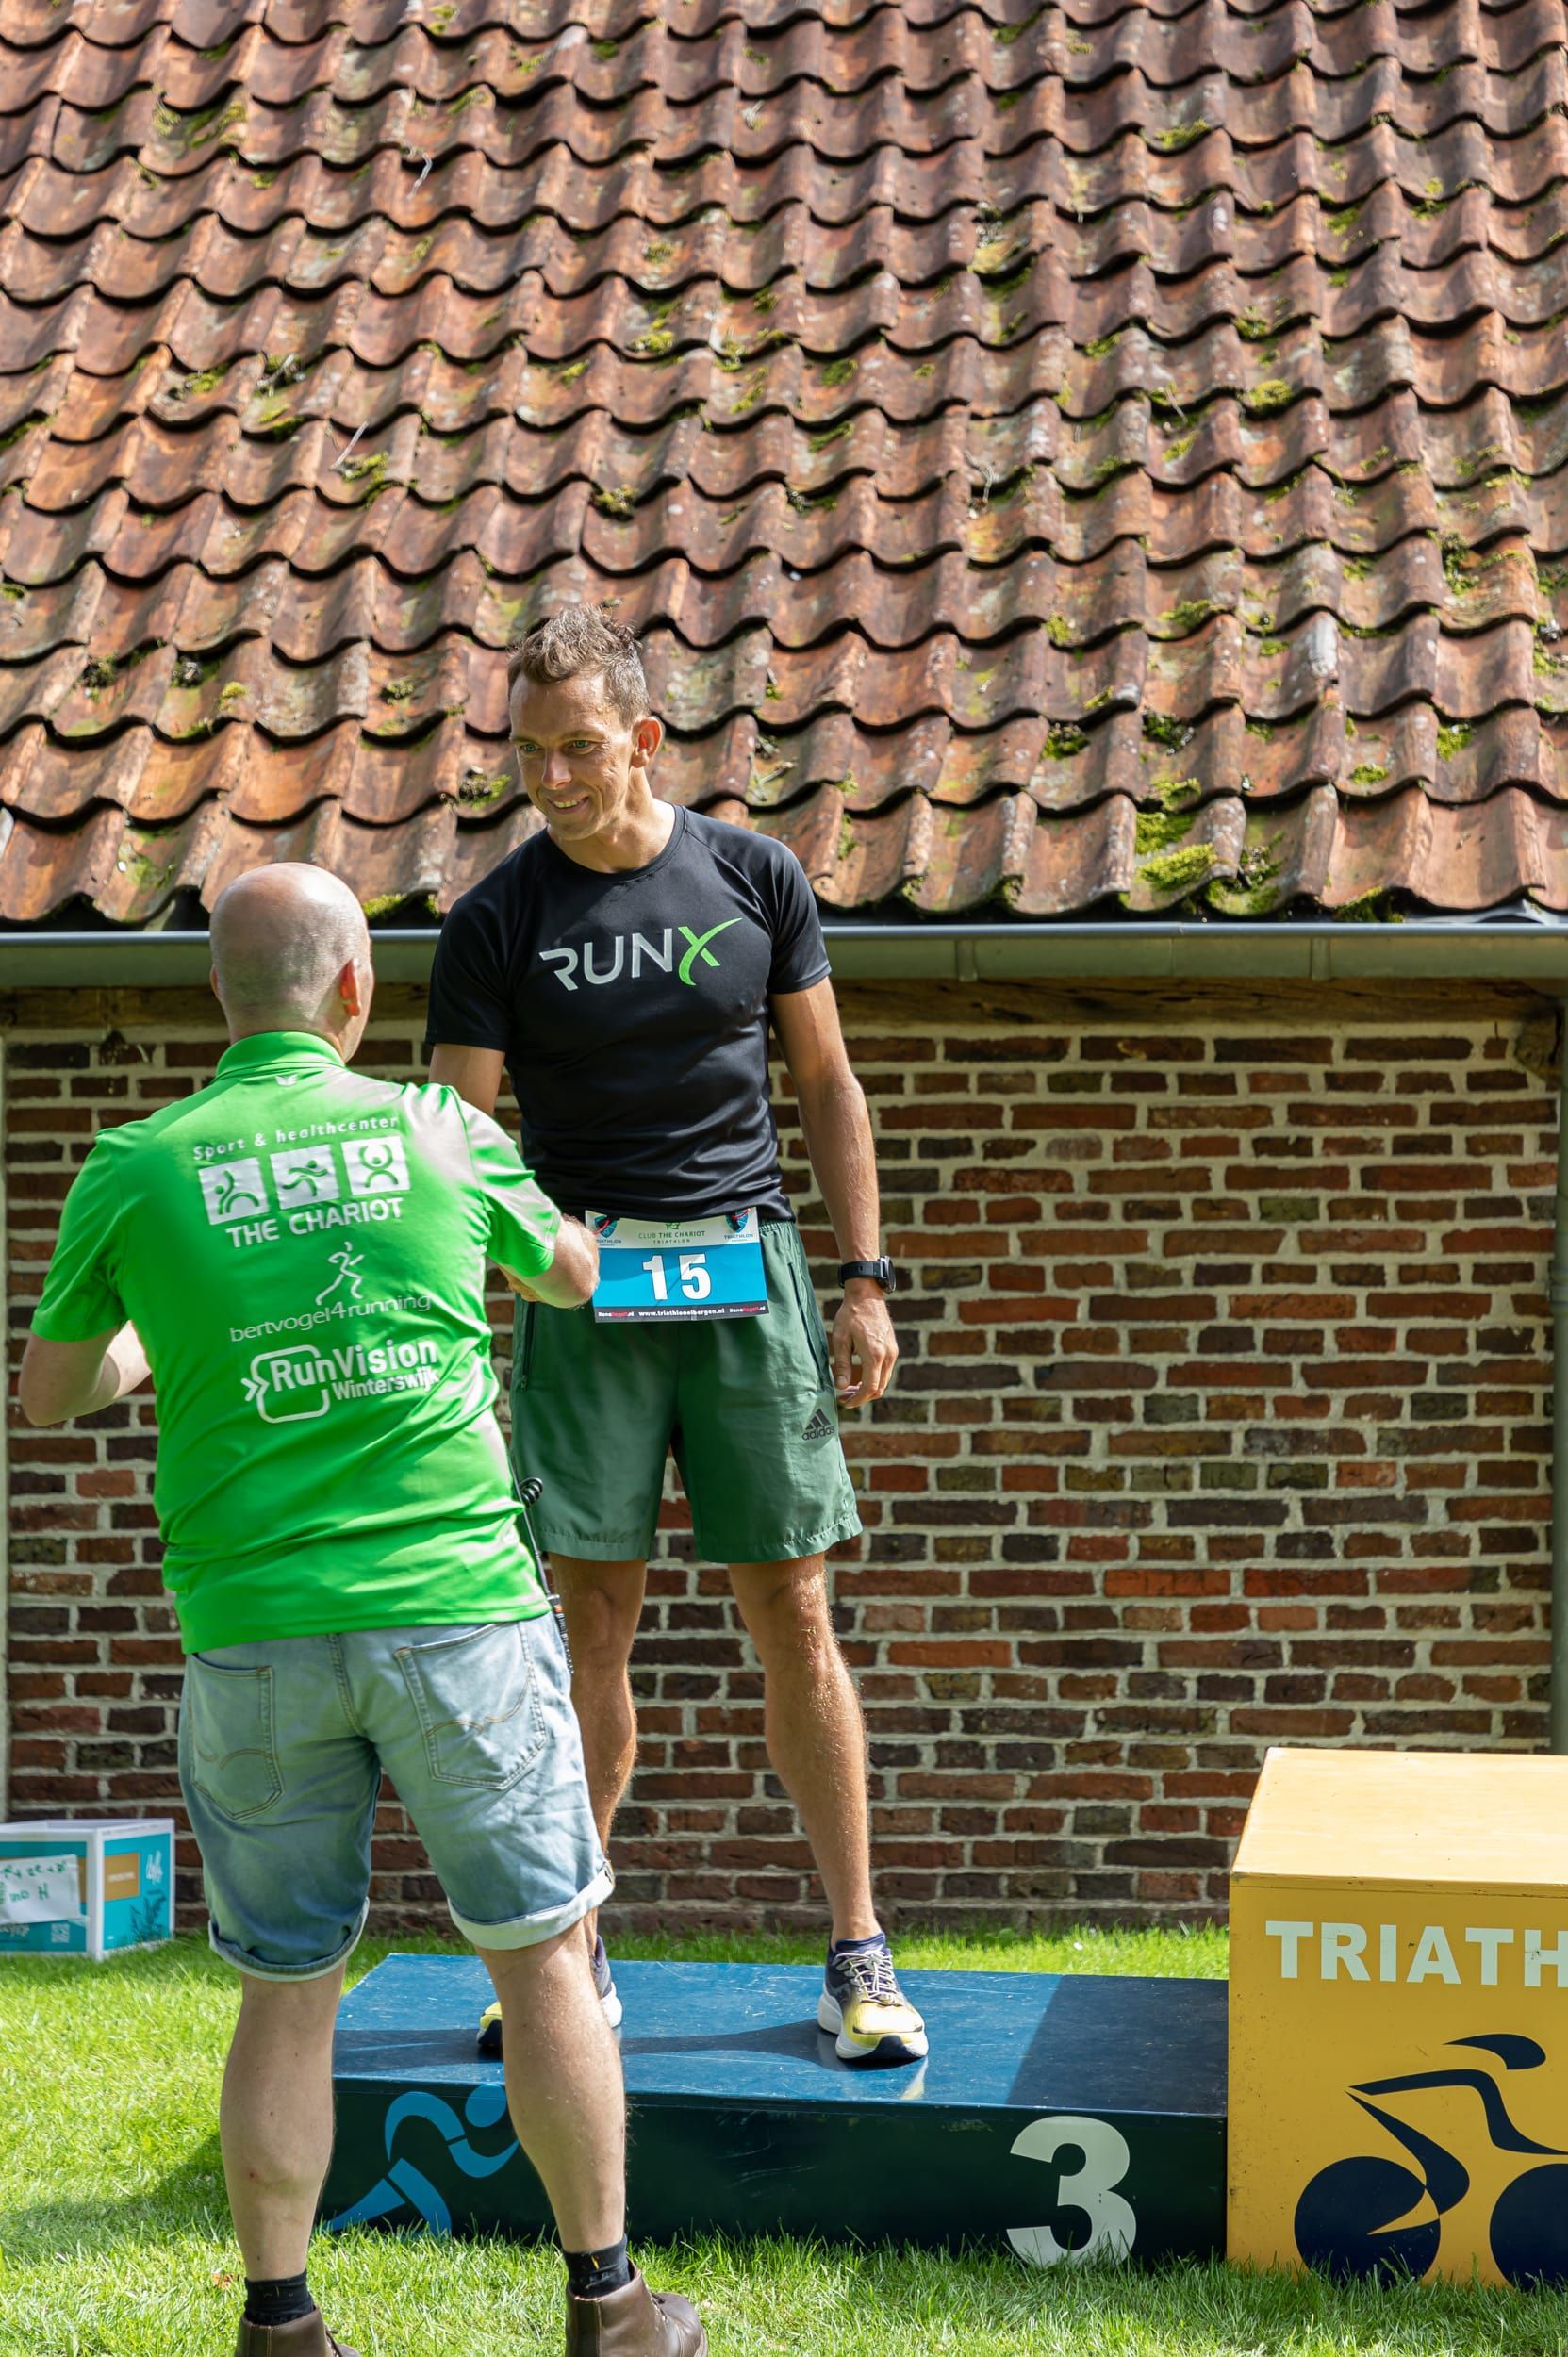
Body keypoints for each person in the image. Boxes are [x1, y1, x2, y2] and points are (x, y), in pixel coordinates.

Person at [20, 865, 704, 2357]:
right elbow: (571, 1276)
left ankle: (281, 2324)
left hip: (252, 1631)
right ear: (355, 991)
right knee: (543, 1957)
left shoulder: (134, 1168)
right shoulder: (442, 1130)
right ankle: (612, 2312)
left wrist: (170, 1335)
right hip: (457, 1613)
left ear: (221, 994)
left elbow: (52, 1391)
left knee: (288, 1986)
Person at [425, 603, 926, 2069]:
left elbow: (826, 1084)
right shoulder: (495, 921)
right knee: (590, 1623)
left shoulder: (755, 876)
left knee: (796, 1612)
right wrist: (499, 1288)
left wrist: (866, 1278)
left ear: (645, 740)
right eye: (529, 753)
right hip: (586, 1293)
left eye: (579, 749)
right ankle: (572, 1949)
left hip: (748, 1279)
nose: (551, 779)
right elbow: (460, 1139)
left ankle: (857, 1952)